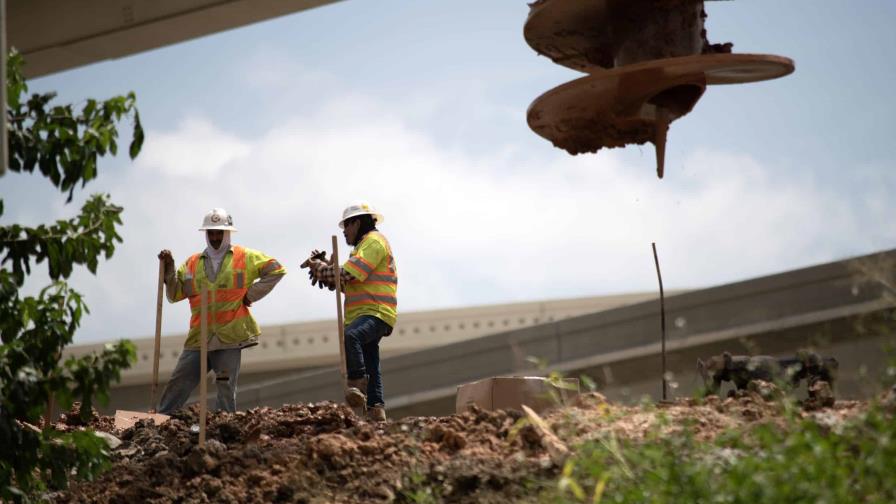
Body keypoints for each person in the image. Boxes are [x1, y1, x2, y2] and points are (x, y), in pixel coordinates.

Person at [157, 208, 286, 414]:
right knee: (179, 381)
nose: (215, 237)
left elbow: (277, 269)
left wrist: (250, 295)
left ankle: (224, 429)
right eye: (211, 233)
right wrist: (169, 269)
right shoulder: (191, 264)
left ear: (227, 233)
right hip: (199, 337)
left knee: (225, 386)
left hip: (230, 337)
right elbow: (174, 295)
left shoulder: (246, 256)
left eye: (219, 233)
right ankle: (160, 421)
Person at [304, 202, 397, 421]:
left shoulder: (373, 242)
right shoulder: (362, 247)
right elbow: (346, 283)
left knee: (352, 337)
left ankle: (356, 385)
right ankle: (376, 409)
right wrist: (327, 268)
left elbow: (347, 275)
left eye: (346, 226)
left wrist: (322, 269)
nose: (344, 232)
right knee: (371, 361)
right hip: (368, 312)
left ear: (357, 223)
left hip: (376, 311)